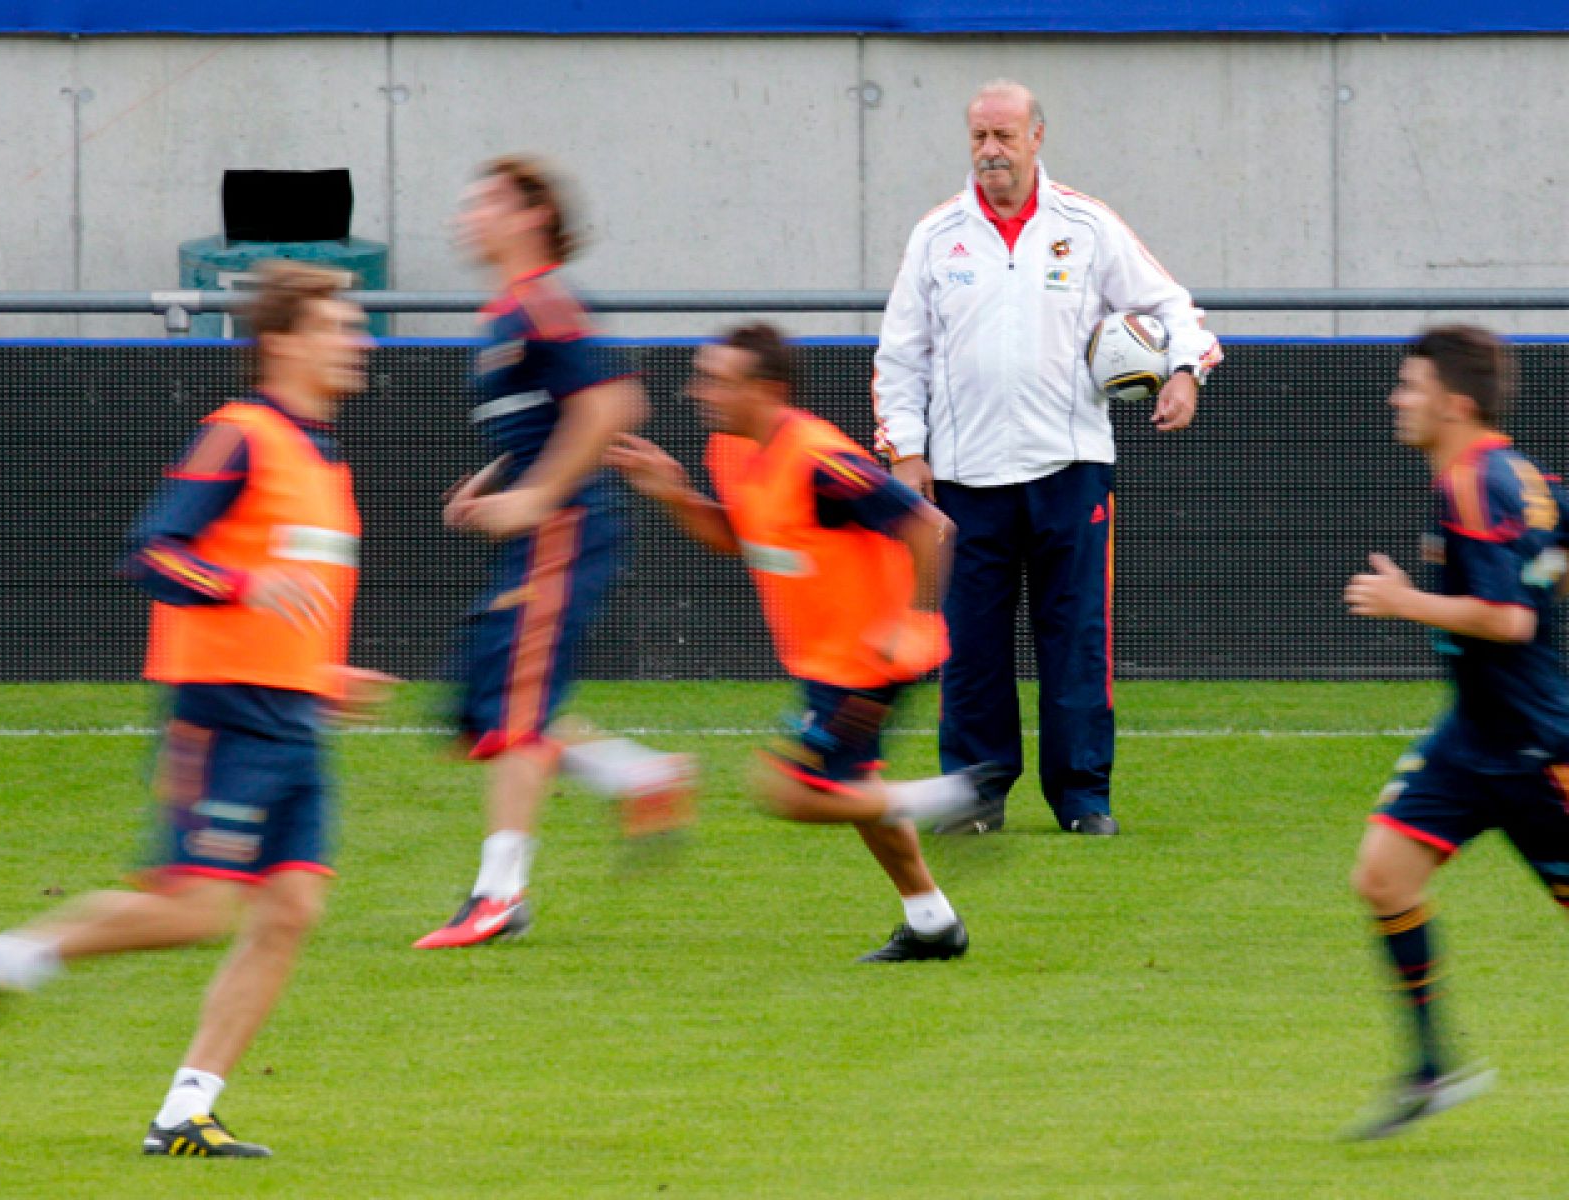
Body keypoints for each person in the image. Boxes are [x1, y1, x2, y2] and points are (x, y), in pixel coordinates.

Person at [0, 263, 393, 1158]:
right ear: (282, 341)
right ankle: (0, 958)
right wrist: (243, 583)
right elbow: (152, 550)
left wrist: (325, 670)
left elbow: (293, 594)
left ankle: (185, 1113)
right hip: (223, 713)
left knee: (290, 912)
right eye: (339, 327)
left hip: (293, 717)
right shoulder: (237, 436)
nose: (358, 343)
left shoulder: (324, 458)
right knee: (196, 911)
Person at [873, 79, 1223, 835]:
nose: (991, 152)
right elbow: (900, 356)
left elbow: (1174, 309)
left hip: (1070, 471)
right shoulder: (937, 235)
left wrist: (1186, 371)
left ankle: (1083, 799)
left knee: (1076, 640)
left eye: (1004, 136)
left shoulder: (1088, 226)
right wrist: (906, 452)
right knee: (970, 648)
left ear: (1037, 137)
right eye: (978, 138)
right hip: (963, 480)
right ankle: (975, 796)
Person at [608, 323, 1000, 962]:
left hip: (870, 658)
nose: (697, 391)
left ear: (766, 390)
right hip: (831, 656)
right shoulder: (731, 452)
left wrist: (913, 621)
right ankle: (932, 923)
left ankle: (958, 796)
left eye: (715, 380)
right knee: (855, 789)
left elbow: (931, 528)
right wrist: (674, 493)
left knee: (790, 791)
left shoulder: (821, 461)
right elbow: (740, 539)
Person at [414, 156, 693, 951]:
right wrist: (496, 486)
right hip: (539, 535)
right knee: (478, 711)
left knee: (515, 714)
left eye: (487, 203)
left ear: (533, 215)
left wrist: (538, 497)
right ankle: (640, 776)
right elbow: (545, 425)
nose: (468, 216)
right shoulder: (505, 313)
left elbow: (612, 403)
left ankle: (498, 895)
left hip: (563, 533)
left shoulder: (542, 301)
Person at [1341, 326, 1569, 1138]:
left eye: (1411, 386)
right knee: (1383, 875)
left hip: (1537, 752)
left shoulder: (1477, 485)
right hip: (1472, 740)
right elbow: (1554, 556)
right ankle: (1435, 1069)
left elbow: (1508, 619)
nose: (1398, 399)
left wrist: (1408, 602)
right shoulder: (1521, 474)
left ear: (1456, 403)